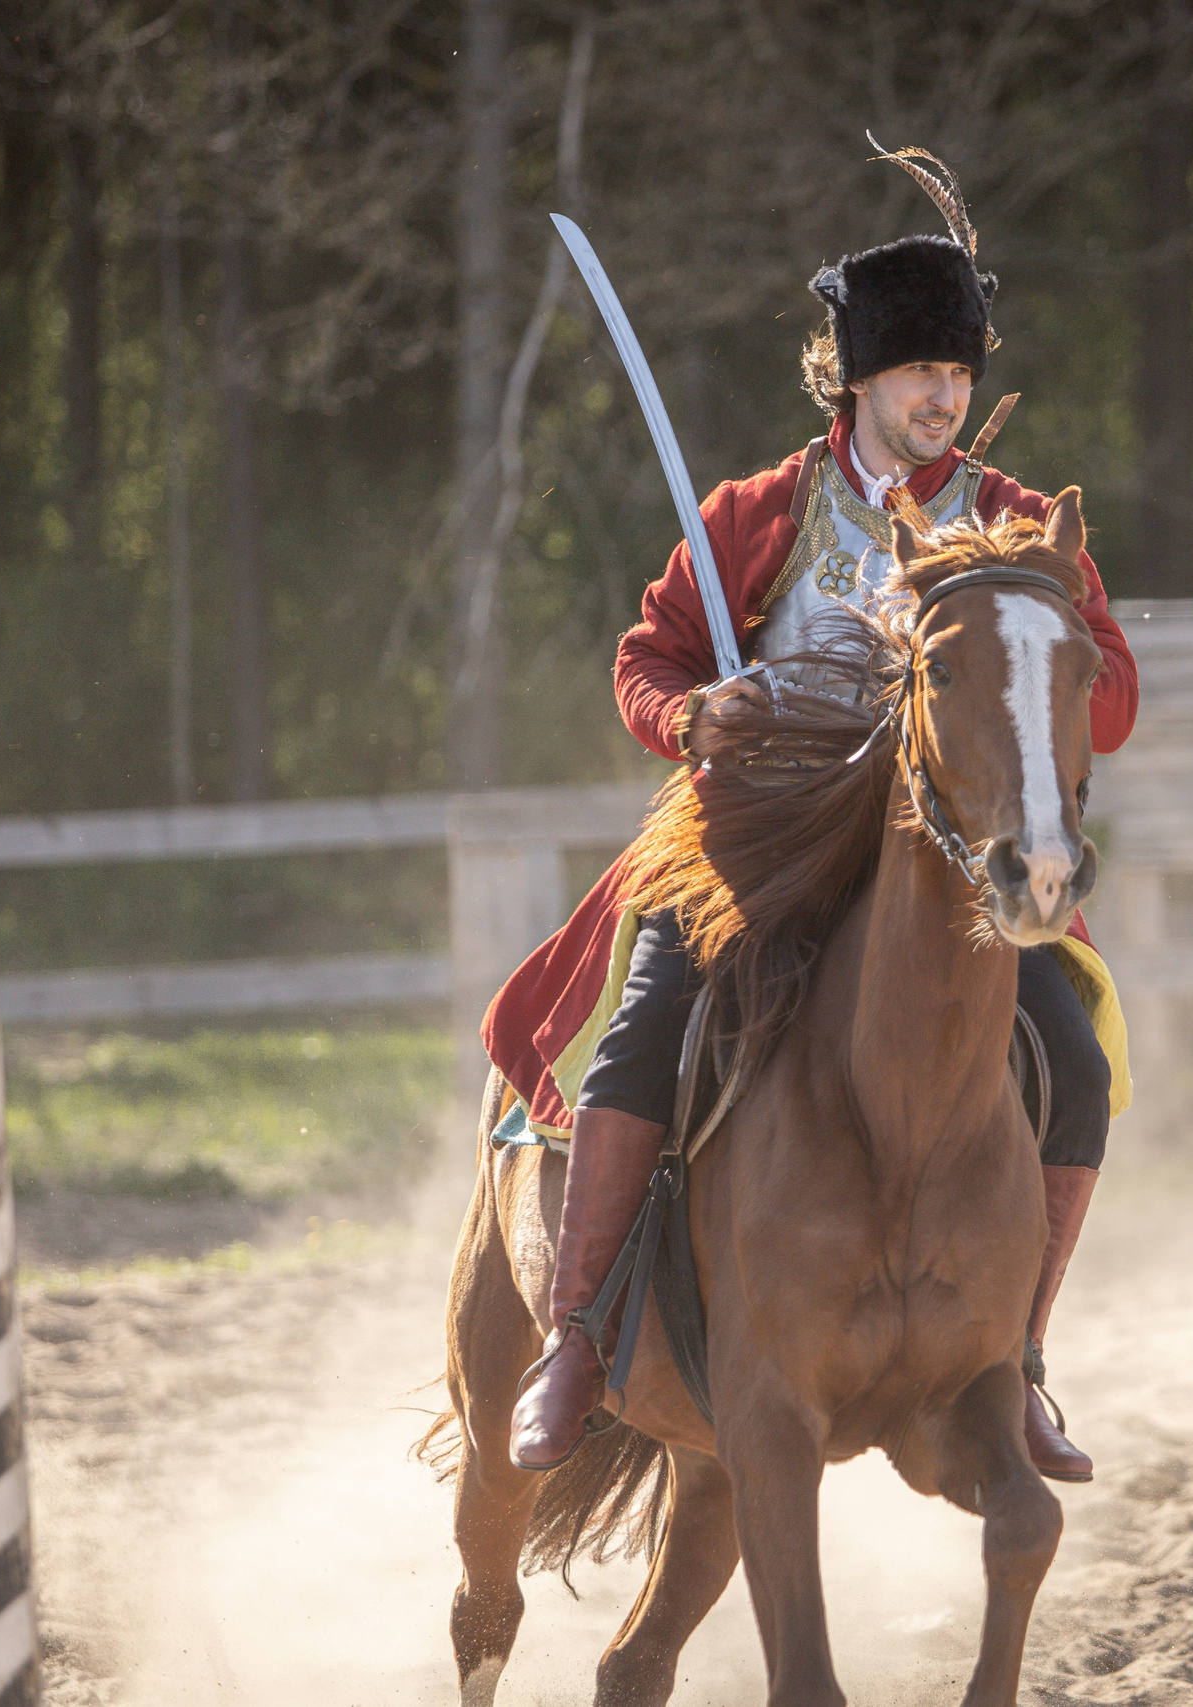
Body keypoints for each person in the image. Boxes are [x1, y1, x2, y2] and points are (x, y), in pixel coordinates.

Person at [486, 150, 1139, 1481]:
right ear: (858, 380)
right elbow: (648, 660)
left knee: (1073, 1061)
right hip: (760, 844)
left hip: (945, 866)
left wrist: (1042, 678)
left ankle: (1015, 1364)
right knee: (639, 1037)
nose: (943, 395)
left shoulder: (1018, 525)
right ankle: (578, 1341)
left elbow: (1111, 693)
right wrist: (697, 719)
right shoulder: (759, 513)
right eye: (918, 373)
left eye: (958, 372)